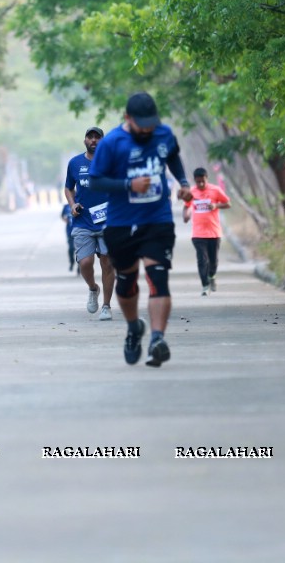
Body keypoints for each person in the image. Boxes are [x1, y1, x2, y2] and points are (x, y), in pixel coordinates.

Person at [88, 92, 191, 367]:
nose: (147, 129)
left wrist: (183, 182)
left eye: (151, 123)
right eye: (141, 124)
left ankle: (158, 339)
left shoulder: (164, 134)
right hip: (121, 223)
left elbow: (174, 157)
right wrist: (127, 186)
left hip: (157, 219)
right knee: (127, 282)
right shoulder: (111, 142)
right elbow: (96, 181)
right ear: (127, 119)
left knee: (158, 277)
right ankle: (134, 327)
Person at [65, 127, 115, 320]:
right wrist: (72, 204)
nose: (93, 140)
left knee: (107, 263)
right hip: (83, 221)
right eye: (90, 137)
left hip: (108, 222)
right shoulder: (75, 163)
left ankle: (107, 306)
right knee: (85, 263)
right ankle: (93, 288)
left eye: (97, 137)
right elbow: (68, 188)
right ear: (85, 140)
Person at [183, 167, 230, 295]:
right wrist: (186, 216)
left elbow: (227, 203)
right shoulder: (191, 192)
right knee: (202, 259)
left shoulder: (215, 190)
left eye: (203, 181)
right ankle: (205, 285)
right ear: (195, 181)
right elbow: (186, 207)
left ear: (207, 178)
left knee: (213, 261)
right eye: (198, 182)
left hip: (214, 232)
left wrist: (216, 205)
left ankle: (212, 276)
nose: (201, 184)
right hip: (198, 233)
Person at [60, 202, 76, 271]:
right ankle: (72, 262)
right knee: (71, 248)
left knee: (80, 250)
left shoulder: (81, 204)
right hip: (69, 231)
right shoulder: (66, 206)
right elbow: (62, 216)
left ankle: (80, 267)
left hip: (80, 230)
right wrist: (65, 219)